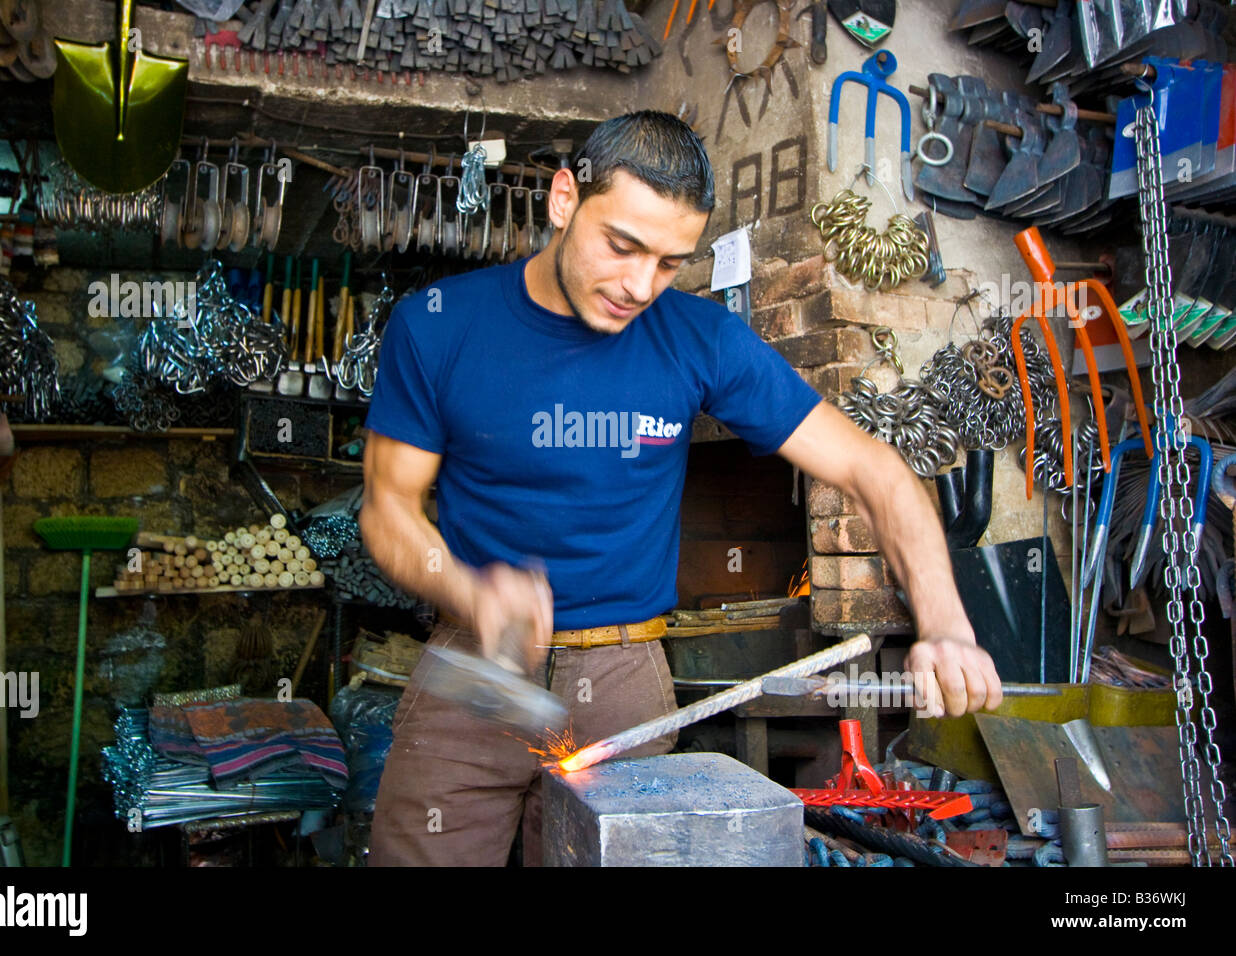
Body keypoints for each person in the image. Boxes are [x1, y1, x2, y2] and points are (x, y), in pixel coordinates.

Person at [360, 111, 1002, 866]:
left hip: (625, 681)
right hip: (474, 675)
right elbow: (389, 509)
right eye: (622, 246)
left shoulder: (701, 337)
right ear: (565, 199)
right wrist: (468, 591)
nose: (640, 286)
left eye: (669, 262)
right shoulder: (437, 326)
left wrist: (947, 625)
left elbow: (875, 470)